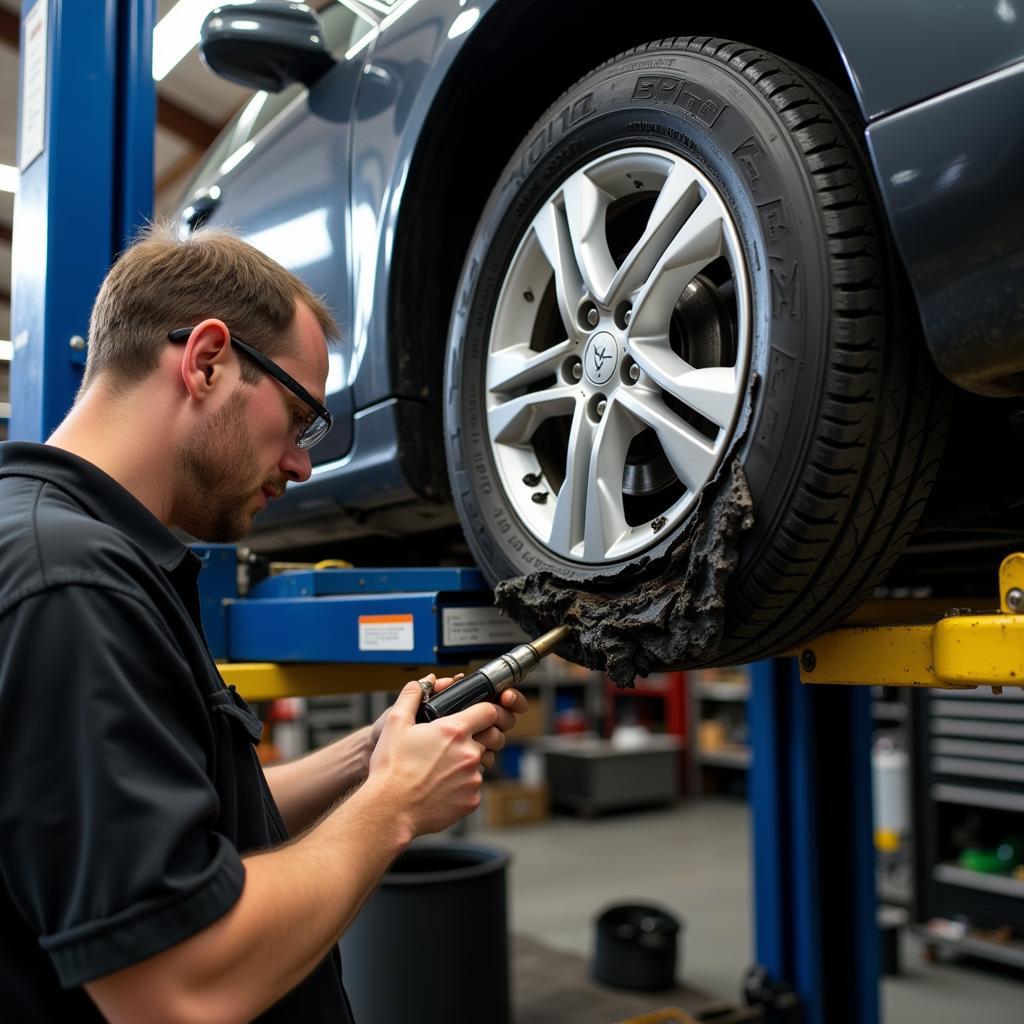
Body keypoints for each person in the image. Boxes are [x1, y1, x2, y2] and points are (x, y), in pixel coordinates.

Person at [0, 224, 528, 1023]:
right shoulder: (70, 584)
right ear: (206, 361)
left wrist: (371, 756)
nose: (303, 464)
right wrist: (393, 808)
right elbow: (175, 986)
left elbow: (193, 815)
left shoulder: (75, 552)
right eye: (300, 416)